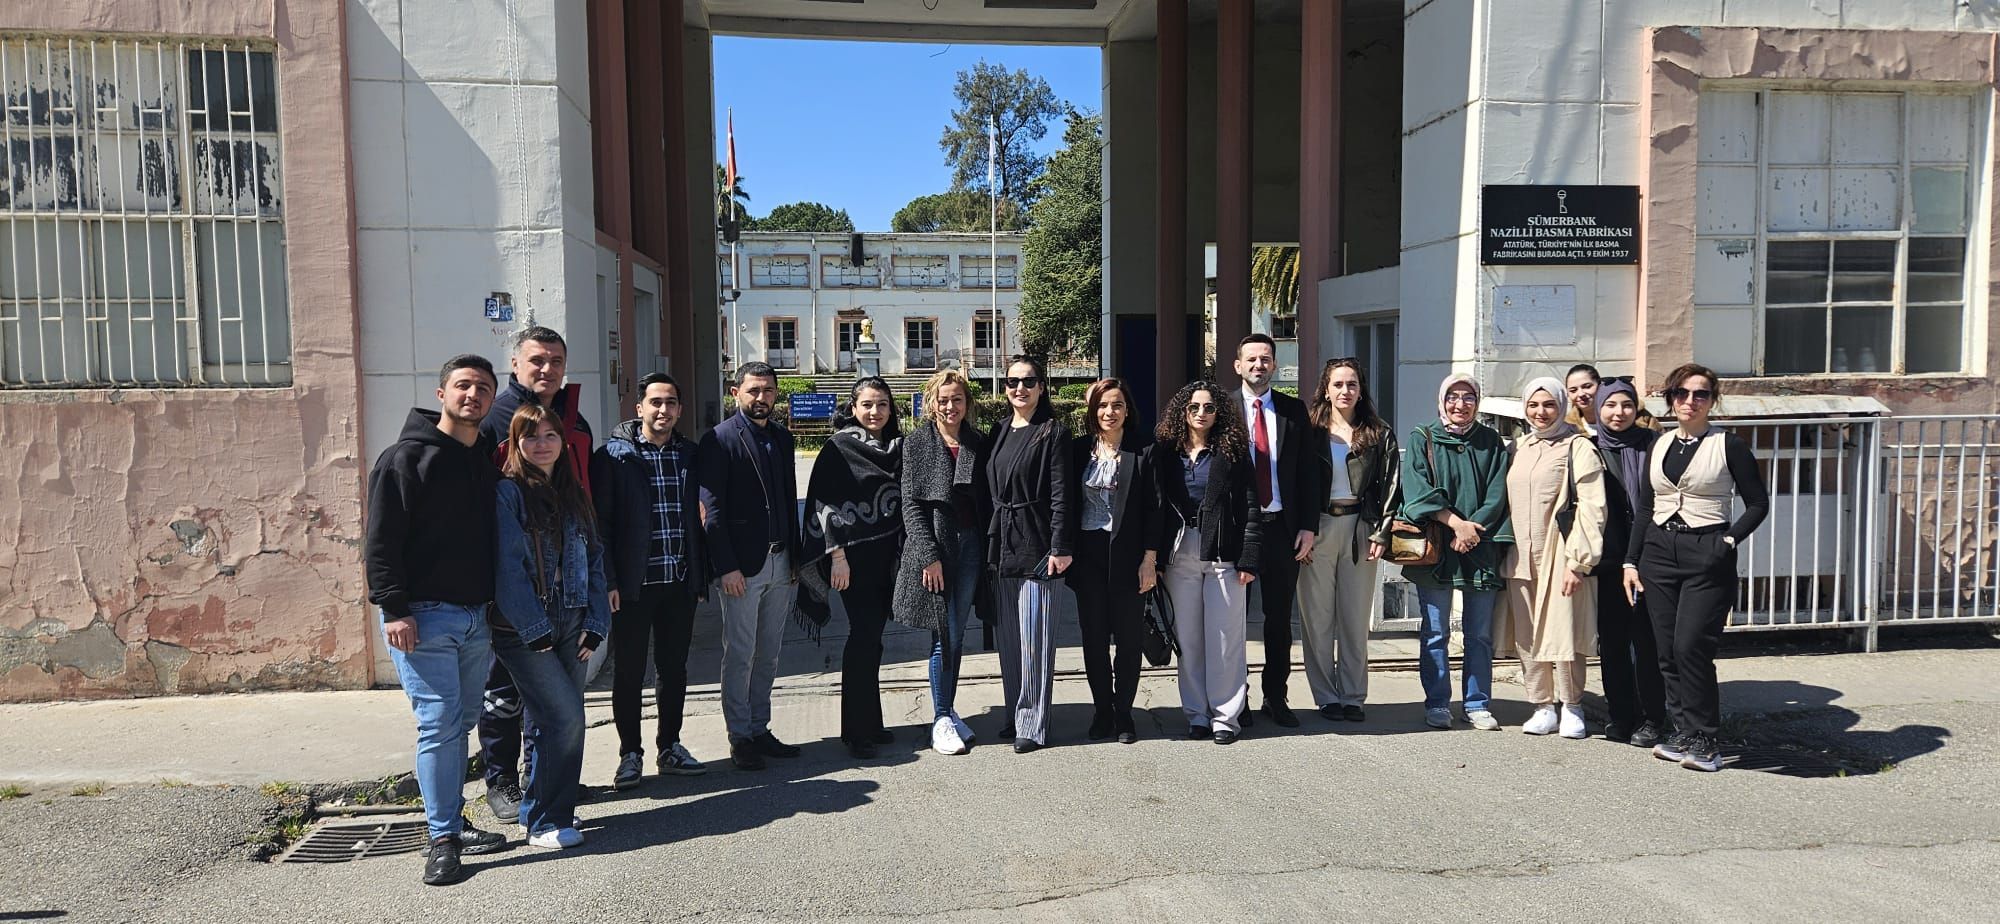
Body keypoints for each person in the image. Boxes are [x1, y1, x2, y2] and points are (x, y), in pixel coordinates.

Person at [365, 354, 512, 885]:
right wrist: (394, 609)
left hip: (476, 619)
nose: (473, 395)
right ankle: (443, 839)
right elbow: (381, 542)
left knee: (460, 723)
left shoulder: (483, 462)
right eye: (463, 385)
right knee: (439, 723)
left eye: (483, 388)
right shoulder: (404, 459)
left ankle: (451, 819)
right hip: (424, 619)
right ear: (441, 393)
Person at [1623, 364, 1770, 773]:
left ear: (1712, 400)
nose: (1690, 401)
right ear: (1671, 399)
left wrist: (1728, 541)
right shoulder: (1660, 443)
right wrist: (1631, 561)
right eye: (1682, 393)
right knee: (1666, 649)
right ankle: (1683, 731)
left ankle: (1707, 739)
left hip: (1707, 549)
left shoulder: (1729, 445)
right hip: (1658, 552)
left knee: (1692, 646)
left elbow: (1758, 503)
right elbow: (1646, 507)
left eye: (1700, 394)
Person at [477, 326, 595, 823]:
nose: (547, 369)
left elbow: (587, 503)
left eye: (556, 361)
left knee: (553, 701)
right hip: (516, 594)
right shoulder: (494, 418)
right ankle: (500, 777)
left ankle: (541, 776)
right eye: (537, 360)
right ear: (516, 363)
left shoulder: (574, 419)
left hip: (568, 588)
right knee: (504, 692)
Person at [490, 403, 610, 849]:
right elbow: (507, 568)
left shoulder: (572, 491)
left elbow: (594, 557)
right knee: (566, 719)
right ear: (515, 443)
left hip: (573, 618)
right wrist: (531, 626)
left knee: (551, 722)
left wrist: (596, 622)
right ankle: (546, 821)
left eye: (550, 436)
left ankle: (543, 810)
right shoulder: (507, 494)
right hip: (526, 628)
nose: (541, 444)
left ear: (563, 442)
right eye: (531, 436)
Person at [591, 372, 708, 791]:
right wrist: (608, 579)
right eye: (655, 402)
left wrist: (700, 575)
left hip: (678, 580)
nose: (663, 410)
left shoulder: (690, 455)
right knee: (629, 670)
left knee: (673, 669)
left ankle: (669, 746)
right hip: (632, 586)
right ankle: (630, 753)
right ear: (639, 407)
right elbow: (601, 524)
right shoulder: (614, 457)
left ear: (679, 409)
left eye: (671, 402)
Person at [697, 362, 803, 770]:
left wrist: (794, 558)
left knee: (769, 653)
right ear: (735, 392)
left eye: (768, 391)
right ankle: (740, 736)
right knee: (741, 653)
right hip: (742, 568)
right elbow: (712, 510)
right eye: (754, 390)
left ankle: (760, 728)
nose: (762, 398)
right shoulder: (719, 439)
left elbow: (788, 501)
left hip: (781, 561)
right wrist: (726, 567)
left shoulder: (782, 438)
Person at [796, 377, 904, 759]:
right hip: (852, 561)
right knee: (862, 637)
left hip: (888, 558)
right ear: (853, 408)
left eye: (882, 404)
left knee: (874, 639)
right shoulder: (839, 447)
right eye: (867, 405)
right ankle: (856, 732)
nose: (875, 412)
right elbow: (824, 504)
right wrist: (837, 557)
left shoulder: (897, 448)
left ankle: (871, 723)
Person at [1495, 377, 1607, 740]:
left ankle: (1572, 705)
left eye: (1549, 405)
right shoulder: (1519, 447)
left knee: (1565, 632)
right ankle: (1541, 705)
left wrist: (1579, 560)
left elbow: (1593, 507)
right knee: (1527, 634)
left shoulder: (1578, 447)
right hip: (1520, 555)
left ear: (1562, 407)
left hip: (1561, 553)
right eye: (1533, 405)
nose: (1540, 412)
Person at [1400, 373, 1513, 731]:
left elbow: (1498, 494)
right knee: (1435, 632)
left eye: (1468, 397)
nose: (1459, 404)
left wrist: (1471, 530)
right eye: (1453, 396)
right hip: (1438, 548)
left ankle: (1477, 703)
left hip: (1479, 547)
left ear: (1477, 403)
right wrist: (1456, 524)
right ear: (1442, 399)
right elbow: (1417, 490)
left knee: (1479, 634)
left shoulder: (1490, 441)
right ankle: (1437, 703)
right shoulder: (1423, 437)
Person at [1153, 380, 1263, 744]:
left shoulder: (1233, 451)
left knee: (1225, 640)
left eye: (1209, 407)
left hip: (1223, 553)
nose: (1201, 413)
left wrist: (1248, 557)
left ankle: (1225, 717)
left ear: (1219, 413)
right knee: (1188, 640)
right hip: (1180, 551)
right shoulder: (1166, 452)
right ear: (1182, 411)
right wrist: (1155, 556)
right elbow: (1155, 504)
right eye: (1194, 407)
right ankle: (1197, 715)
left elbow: (1251, 505)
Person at [1296, 358, 1400, 724]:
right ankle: (1327, 697)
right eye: (1338, 384)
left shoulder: (1378, 432)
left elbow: (1391, 484)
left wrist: (1382, 530)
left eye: (1352, 384)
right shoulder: (1309, 430)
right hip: (1317, 528)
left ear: (1360, 389)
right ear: (1326, 389)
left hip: (1360, 528)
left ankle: (1354, 696)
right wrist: (1301, 528)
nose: (1345, 390)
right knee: (1317, 619)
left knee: (1355, 620)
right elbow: (1295, 481)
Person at [892, 370, 987, 756]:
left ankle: (947, 709)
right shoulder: (916, 443)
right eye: (943, 400)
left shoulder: (977, 441)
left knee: (957, 634)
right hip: (937, 550)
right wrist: (929, 556)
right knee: (943, 636)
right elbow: (910, 505)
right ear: (931, 403)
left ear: (967, 403)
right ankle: (941, 717)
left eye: (957, 399)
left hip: (971, 548)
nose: (950, 406)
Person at [983, 356, 1072, 753]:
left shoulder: (1052, 432)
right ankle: (1013, 714)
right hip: (1003, 543)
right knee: (1009, 640)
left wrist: (1060, 546)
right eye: (1012, 381)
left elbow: (1062, 494)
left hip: (1038, 544)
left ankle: (1033, 723)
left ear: (1042, 387)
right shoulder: (1000, 429)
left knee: (1035, 640)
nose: (1020, 388)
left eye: (1028, 381)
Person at [1066, 378, 1160, 744]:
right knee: (1093, 640)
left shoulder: (1144, 450)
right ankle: (1102, 710)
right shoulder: (1078, 450)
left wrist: (1150, 559)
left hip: (1129, 558)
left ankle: (1124, 713)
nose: (1110, 412)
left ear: (1127, 410)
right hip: (1088, 557)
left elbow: (1154, 509)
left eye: (1117, 405)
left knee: (1129, 640)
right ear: (1093, 411)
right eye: (1103, 405)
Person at [1233, 334, 1318, 729]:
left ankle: (1275, 696)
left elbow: (1308, 472)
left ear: (1275, 365)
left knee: (1279, 620)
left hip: (1283, 530)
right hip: (1238, 532)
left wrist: (1308, 526)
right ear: (1238, 365)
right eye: (1251, 359)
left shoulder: (1293, 410)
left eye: (1265, 359)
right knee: (1233, 620)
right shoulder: (1224, 409)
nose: (1258, 365)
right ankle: (1236, 698)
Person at [1592, 378, 1669, 748]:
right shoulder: (1590, 448)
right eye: (1610, 405)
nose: (1618, 413)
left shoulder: (1653, 444)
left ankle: (1653, 718)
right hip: (1609, 561)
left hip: (1648, 557)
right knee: (1613, 642)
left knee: (1648, 641)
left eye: (1625, 405)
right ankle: (1621, 716)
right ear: (1598, 409)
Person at [1564, 363, 1601, 432]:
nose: (1581, 394)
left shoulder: (1618, 419)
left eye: (1587, 387)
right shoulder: (1566, 427)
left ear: (1599, 385)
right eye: (1573, 390)